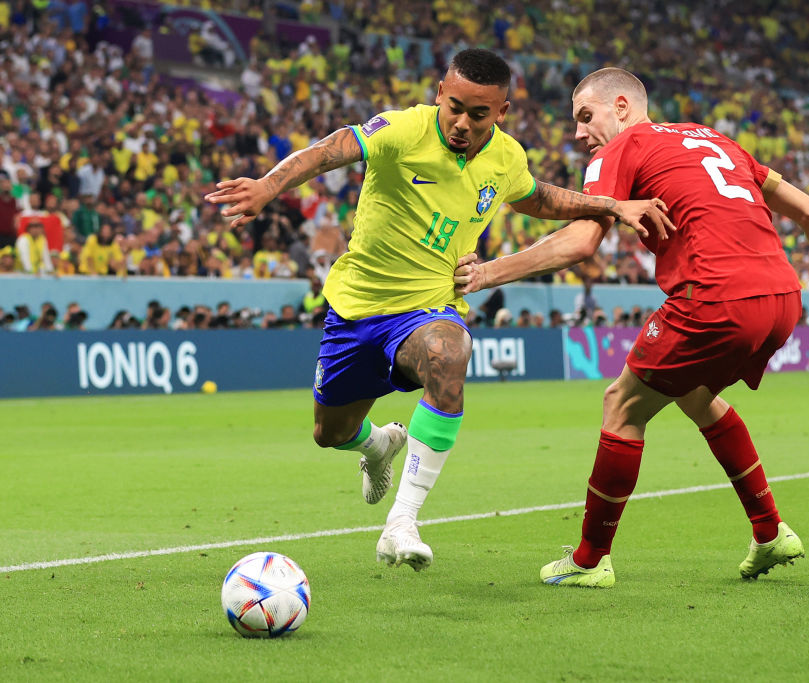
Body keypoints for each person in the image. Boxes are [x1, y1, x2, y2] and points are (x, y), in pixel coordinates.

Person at [204, 50, 672, 573]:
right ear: (439, 93)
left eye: (478, 114)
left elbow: (538, 198)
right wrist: (268, 186)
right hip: (356, 307)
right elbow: (332, 149)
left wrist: (612, 205)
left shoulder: (506, 157)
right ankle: (379, 444)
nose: (462, 122)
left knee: (451, 352)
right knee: (330, 433)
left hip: (427, 309)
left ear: (502, 112)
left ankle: (402, 522)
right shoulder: (405, 128)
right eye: (454, 107)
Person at [454, 67, 809, 587]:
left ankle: (589, 560)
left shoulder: (619, 150)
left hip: (716, 296)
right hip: (785, 298)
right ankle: (770, 533)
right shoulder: (715, 138)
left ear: (623, 107)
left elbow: (584, 242)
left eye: (587, 117)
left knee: (622, 404)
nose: (579, 133)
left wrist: (488, 272)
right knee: (695, 395)